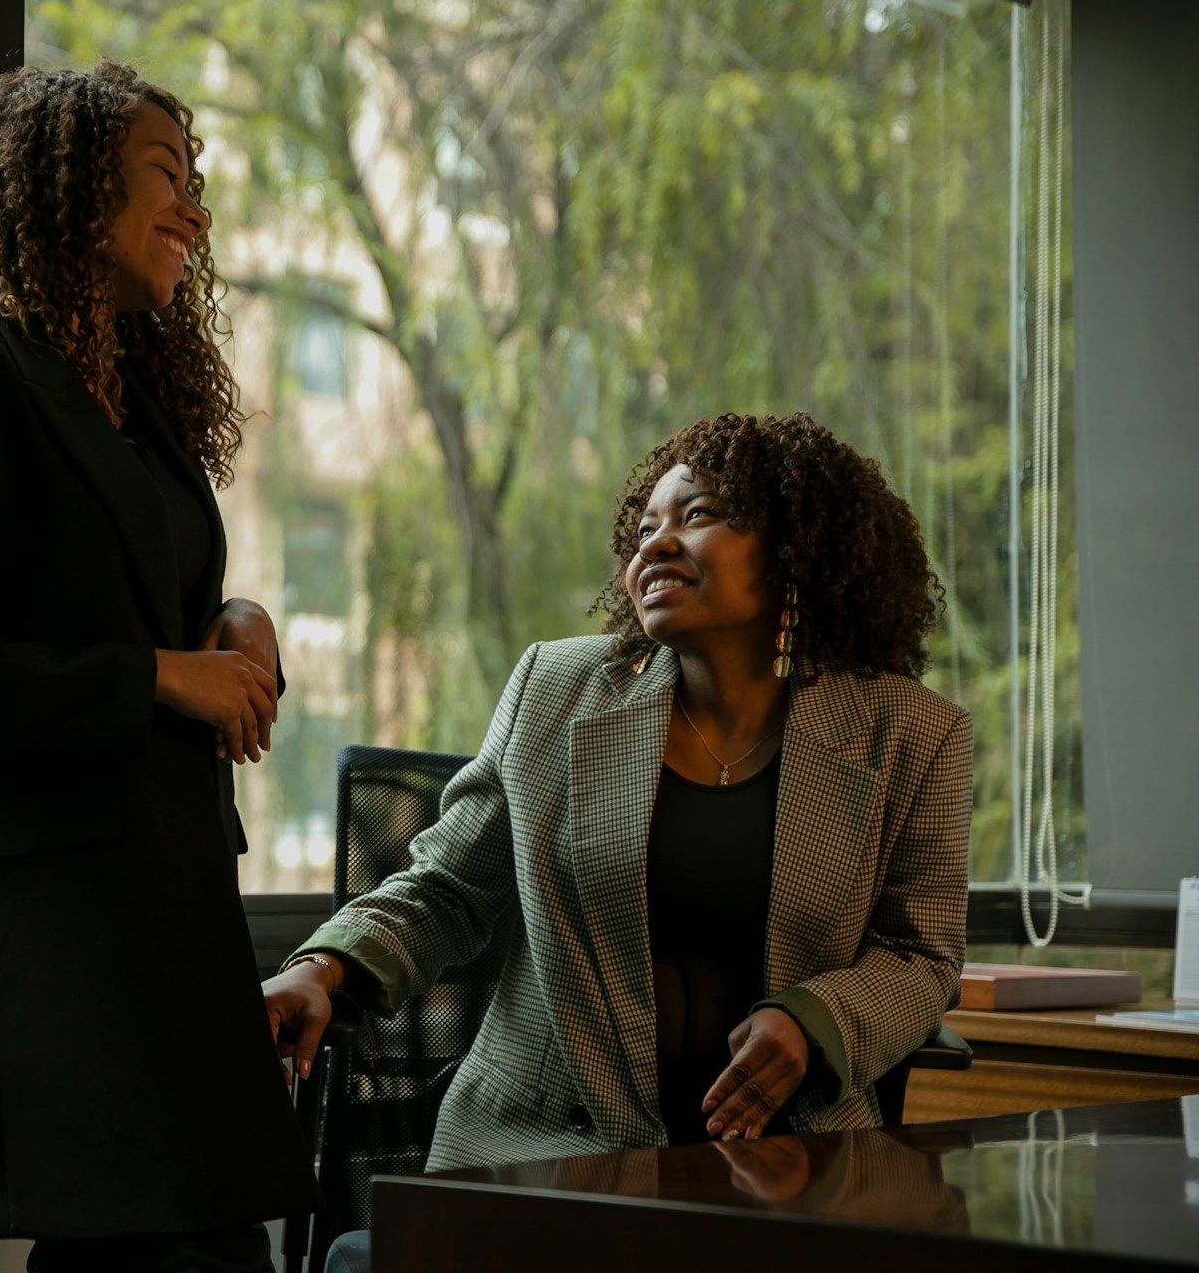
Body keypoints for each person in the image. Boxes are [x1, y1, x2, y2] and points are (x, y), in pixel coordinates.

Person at [263, 413, 971, 1272]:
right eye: (645, 530)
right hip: (547, 1156)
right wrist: (325, 966)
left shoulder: (911, 736)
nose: (657, 545)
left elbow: (919, 953)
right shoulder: (557, 690)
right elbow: (447, 888)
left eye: (698, 514)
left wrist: (818, 1021)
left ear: (796, 551)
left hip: (788, 1165)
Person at [0, 62, 319, 1271]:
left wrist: (240, 617)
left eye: (196, 185)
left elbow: (158, 597)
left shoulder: (129, 395)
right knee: (166, 1249)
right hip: (51, 944)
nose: (193, 212)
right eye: (168, 175)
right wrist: (161, 676)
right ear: (68, 188)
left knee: (205, 1244)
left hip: (162, 909)